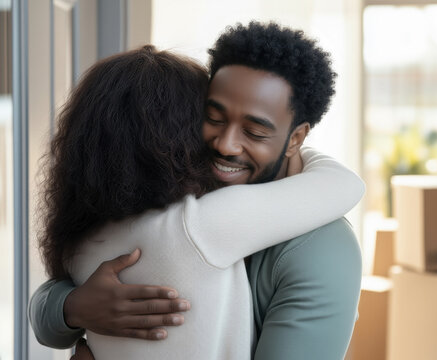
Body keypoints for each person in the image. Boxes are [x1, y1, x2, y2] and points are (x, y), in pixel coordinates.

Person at [30, 22, 364, 360]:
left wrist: (65, 310)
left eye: (254, 131)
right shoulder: (188, 213)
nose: (226, 144)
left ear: (296, 138)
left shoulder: (321, 248)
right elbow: (346, 184)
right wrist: (69, 307)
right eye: (213, 118)